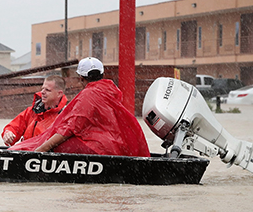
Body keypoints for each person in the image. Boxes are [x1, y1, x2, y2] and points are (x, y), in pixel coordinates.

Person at [12, 57, 150, 157]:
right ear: (101, 74)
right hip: (115, 146)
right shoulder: (110, 91)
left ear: (81, 79)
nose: (43, 93)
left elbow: (70, 128)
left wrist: (39, 151)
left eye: (47, 90)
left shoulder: (89, 95)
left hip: (100, 148)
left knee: (57, 146)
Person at [1, 75, 68, 147]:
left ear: (59, 94)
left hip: (47, 154)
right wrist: (8, 133)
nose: (42, 92)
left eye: (47, 90)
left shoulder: (66, 116)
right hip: (27, 153)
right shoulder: (31, 111)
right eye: (42, 89)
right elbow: (14, 127)